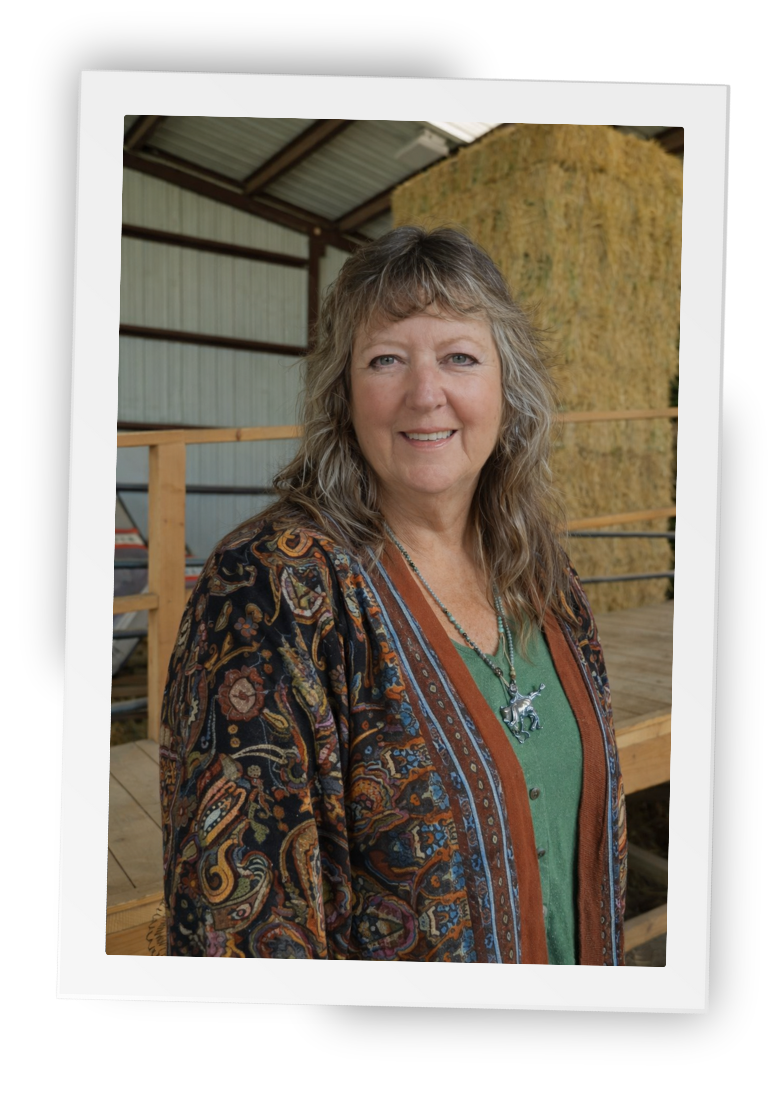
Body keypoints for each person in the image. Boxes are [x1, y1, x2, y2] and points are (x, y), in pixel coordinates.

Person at [159, 226, 627, 963]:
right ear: (343, 394)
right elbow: (235, 932)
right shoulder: (269, 588)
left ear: (508, 386)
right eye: (386, 359)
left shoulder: (544, 577)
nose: (425, 394)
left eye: (459, 357)